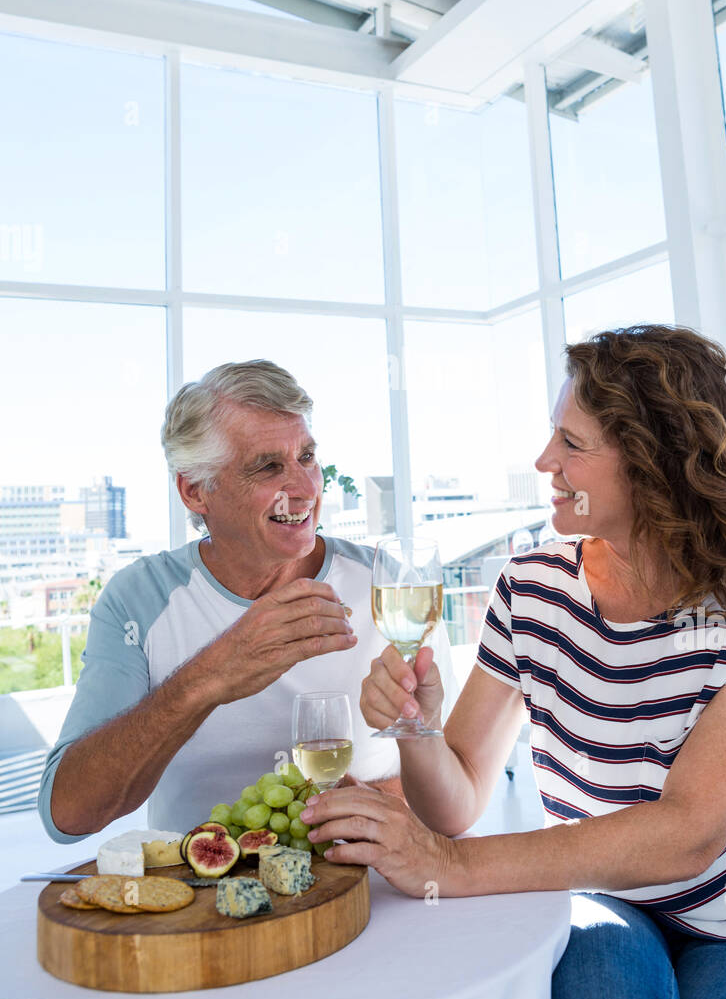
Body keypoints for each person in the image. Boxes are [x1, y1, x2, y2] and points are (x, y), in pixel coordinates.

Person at [301, 324, 726, 999]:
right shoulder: (532, 587)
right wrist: (417, 729)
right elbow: (457, 800)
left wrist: (452, 866)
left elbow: (688, 833)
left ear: (653, 462)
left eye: (571, 443)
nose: (544, 460)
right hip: (608, 895)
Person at [38, 359, 455, 841]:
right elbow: (67, 815)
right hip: (198, 904)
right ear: (195, 491)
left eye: (307, 457)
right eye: (268, 466)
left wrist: (379, 801)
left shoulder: (390, 588)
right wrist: (210, 677)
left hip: (367, 891)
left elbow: (457, 784)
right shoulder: (139, 598)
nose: (304, 489)